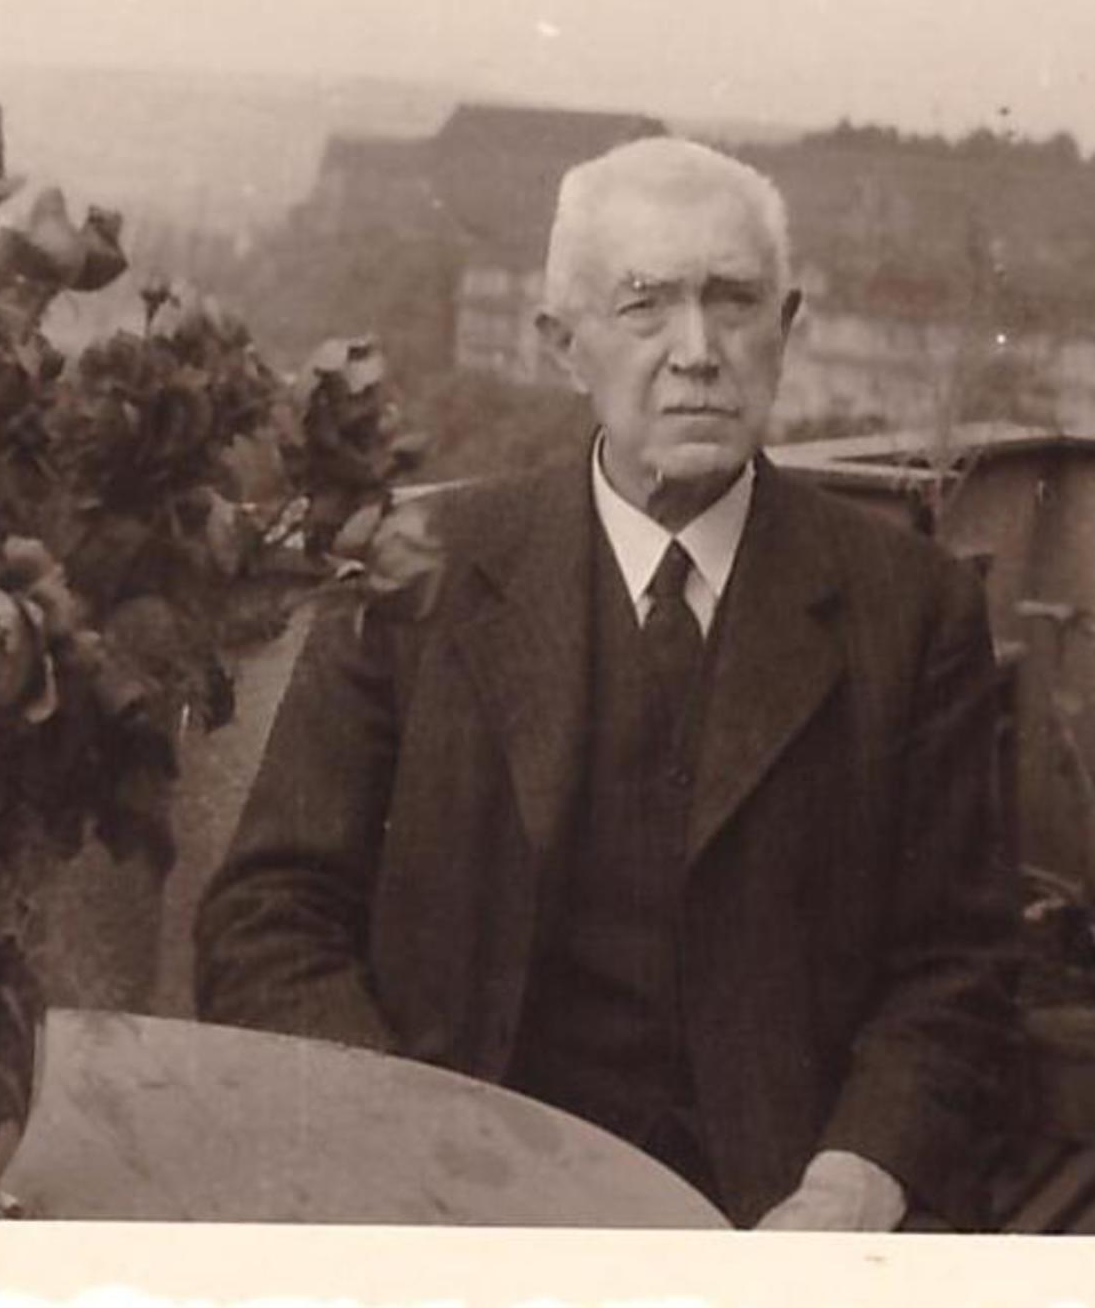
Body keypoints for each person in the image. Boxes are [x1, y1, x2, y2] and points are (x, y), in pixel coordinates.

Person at [195, 137, 1018, 1230]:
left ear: (786, 327)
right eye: (645, 306)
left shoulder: (910, 608)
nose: (698, 352)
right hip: (457, 1193)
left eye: (734, 302)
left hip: (772, 1216)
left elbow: (958, 966)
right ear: (561, 345)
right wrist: (398, 1141)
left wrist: (851, 1183)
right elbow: (267, 916)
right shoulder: (419, 570)